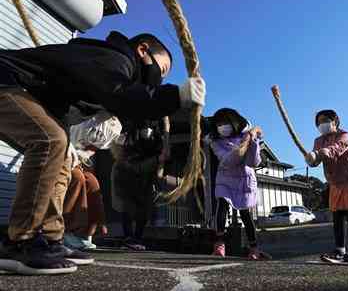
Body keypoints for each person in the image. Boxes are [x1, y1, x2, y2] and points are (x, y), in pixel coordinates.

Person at [0, 31, 205, 275]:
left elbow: (124, 105)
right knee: (50, 140)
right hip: (7, 81)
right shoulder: (114, 58)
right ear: (142, 50)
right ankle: (20, 242)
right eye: (160, 70)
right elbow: (122, 96)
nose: (157, 79)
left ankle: (50, 238)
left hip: (24, 92)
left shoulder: (109, 66)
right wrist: (176, 95)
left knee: (62, 154)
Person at [306, 110, 348, 265]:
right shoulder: (318, 141)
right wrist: (311, 159)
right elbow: (315, 161)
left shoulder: (344, 135)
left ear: (335, 122)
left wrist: (322, 152)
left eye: (326, 120)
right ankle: (340, 251)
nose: (322, 124)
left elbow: (336, 149)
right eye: (319, 122)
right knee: (338, 217)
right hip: (335, 183)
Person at [209, 108, 269, 260]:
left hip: (244, 180)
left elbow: (253, 162)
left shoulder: (247, 137)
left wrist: (253, 141)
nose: (222, 126)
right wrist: (243, 144)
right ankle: (219, 244)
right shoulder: (215, 142)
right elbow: (227, 161)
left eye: (225, 123)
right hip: (225, 179)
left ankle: (254, 248)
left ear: (234, 123)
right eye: (219, 124)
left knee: (245, 213)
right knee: (222, 204)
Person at [63, 115, 122, 251]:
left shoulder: (114, 127)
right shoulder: (79, 116)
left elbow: (92, 149)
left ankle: (86, 232)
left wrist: (81, 156)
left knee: (92, 181)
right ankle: (66, 229)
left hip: (76, 159)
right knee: (77, 178)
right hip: (61, 151)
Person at [111, 118, 169, 251]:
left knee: (143, 210)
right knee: (128, 208)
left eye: (150, 128)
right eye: (144, 128)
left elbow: (162, 158)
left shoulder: (156, 139)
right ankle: (128, 238)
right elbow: (129, 165)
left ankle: (137, 237)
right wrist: (156, 160)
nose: (147, 130)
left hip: (146, 179)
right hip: (126, 178)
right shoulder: (126, 139)